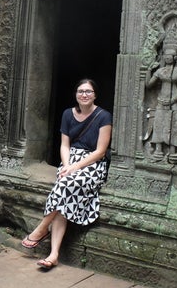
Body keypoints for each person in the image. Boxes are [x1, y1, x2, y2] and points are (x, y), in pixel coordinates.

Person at [21, 79, 112, 270]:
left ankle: (42, 228)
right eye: (80, 91)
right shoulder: (67, 114)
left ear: (95, 95)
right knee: (65, 195)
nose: (84, 94)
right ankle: (53, 255)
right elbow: (64, 145)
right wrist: (68, 165)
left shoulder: (103, 116)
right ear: (76, 94)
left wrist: (75, 167)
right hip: (70, 160)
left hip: (92, 164)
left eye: (88, 91)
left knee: (64, 185)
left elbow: (100, 151)